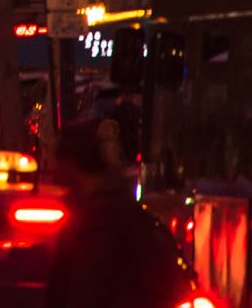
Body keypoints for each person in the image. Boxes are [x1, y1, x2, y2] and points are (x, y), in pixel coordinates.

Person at [45, 120, 191, 308]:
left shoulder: (99, 221)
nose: (53, 170)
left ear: (69, 163)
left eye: (57, 161)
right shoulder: (123, 211)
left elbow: (87, 291)